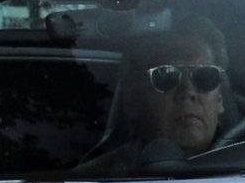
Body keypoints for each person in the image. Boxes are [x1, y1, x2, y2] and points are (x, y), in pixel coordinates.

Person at [78, 19, 231, 174]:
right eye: (166, 77)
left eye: (204, 76)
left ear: (219, 99)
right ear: (133, 102)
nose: (188, 92)